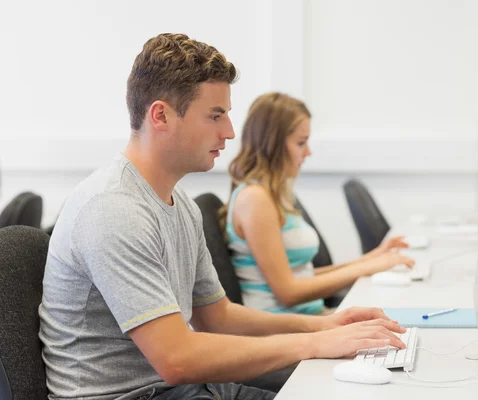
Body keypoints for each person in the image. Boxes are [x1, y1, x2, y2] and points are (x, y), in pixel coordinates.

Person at [38, 34, 407, 400]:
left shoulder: (178, 202)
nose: (229, 133)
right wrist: (314, 342)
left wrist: (325, 324)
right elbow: (177, 359)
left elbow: (218, 317)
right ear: (161, 115)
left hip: (180, 389)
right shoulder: (112, 208)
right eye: (215, 116)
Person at [222, 92, 415, 315]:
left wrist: (372, 259)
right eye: (301, 143)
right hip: (286, 330)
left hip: (310, 318)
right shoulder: (255, 199)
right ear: (272, 144)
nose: (308, 151)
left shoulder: (274, 195)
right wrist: (365, 268)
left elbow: (303, 277)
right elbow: (288, 292)